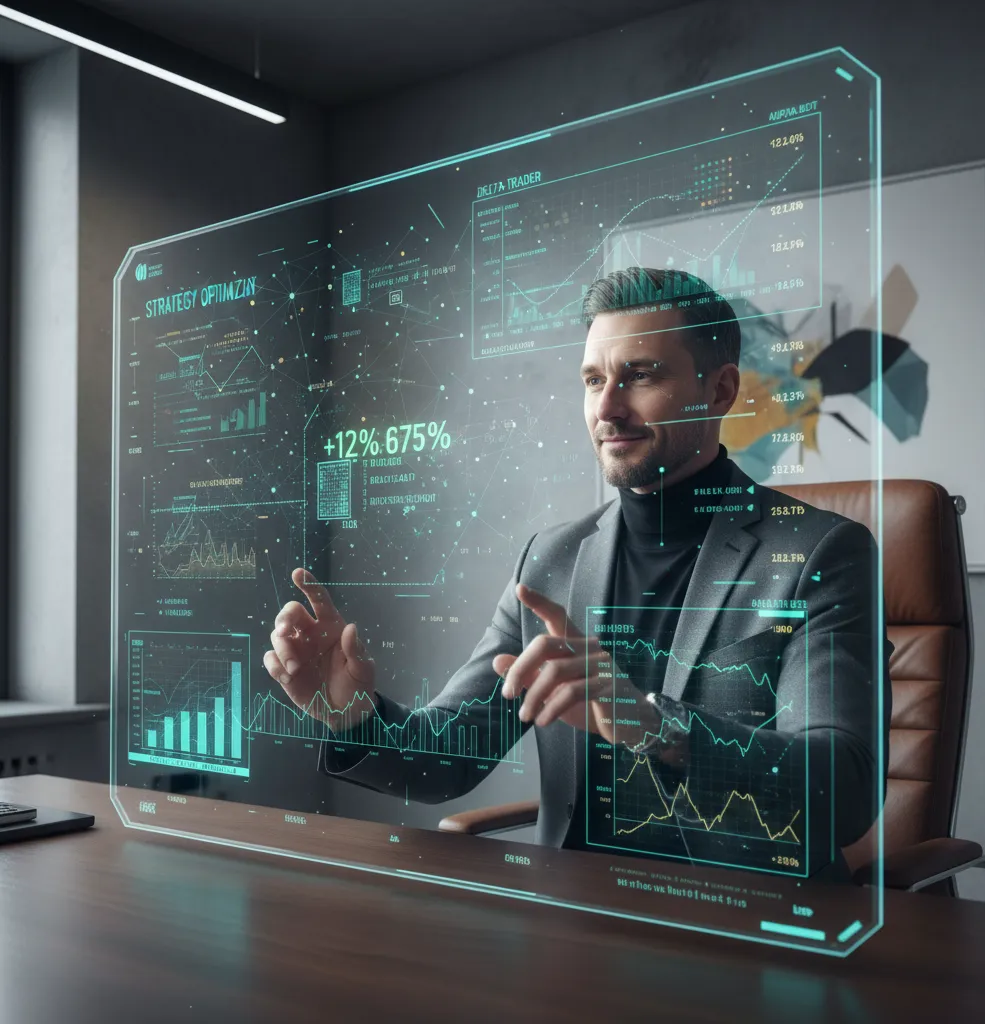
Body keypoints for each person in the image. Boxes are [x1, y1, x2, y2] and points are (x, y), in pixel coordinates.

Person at [264, 267, 892, 880]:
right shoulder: (552, 559)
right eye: (593, 380)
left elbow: (844, 791)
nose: (608, 408)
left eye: (640, 375)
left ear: (720, 390)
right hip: (574, 928)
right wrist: (353, 717)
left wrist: (655, 726)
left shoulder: (821, 553)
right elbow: (450, 760)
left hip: (745, 931)